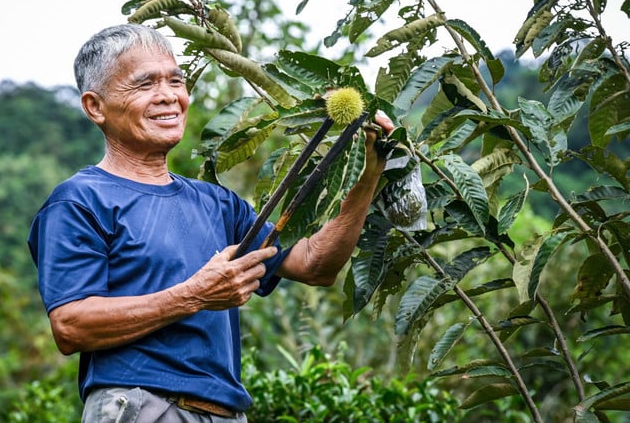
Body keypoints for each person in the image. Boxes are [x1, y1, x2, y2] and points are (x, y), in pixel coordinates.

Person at [27, 23, 393, 422]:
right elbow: (71, 325)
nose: (168, 96)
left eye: (175, 81)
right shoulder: (80, 200)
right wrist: (194, 295)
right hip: (140, 407)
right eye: (145, 84)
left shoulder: (216, 203)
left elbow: (314, 264)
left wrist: (369, 170)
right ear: (95, 106)